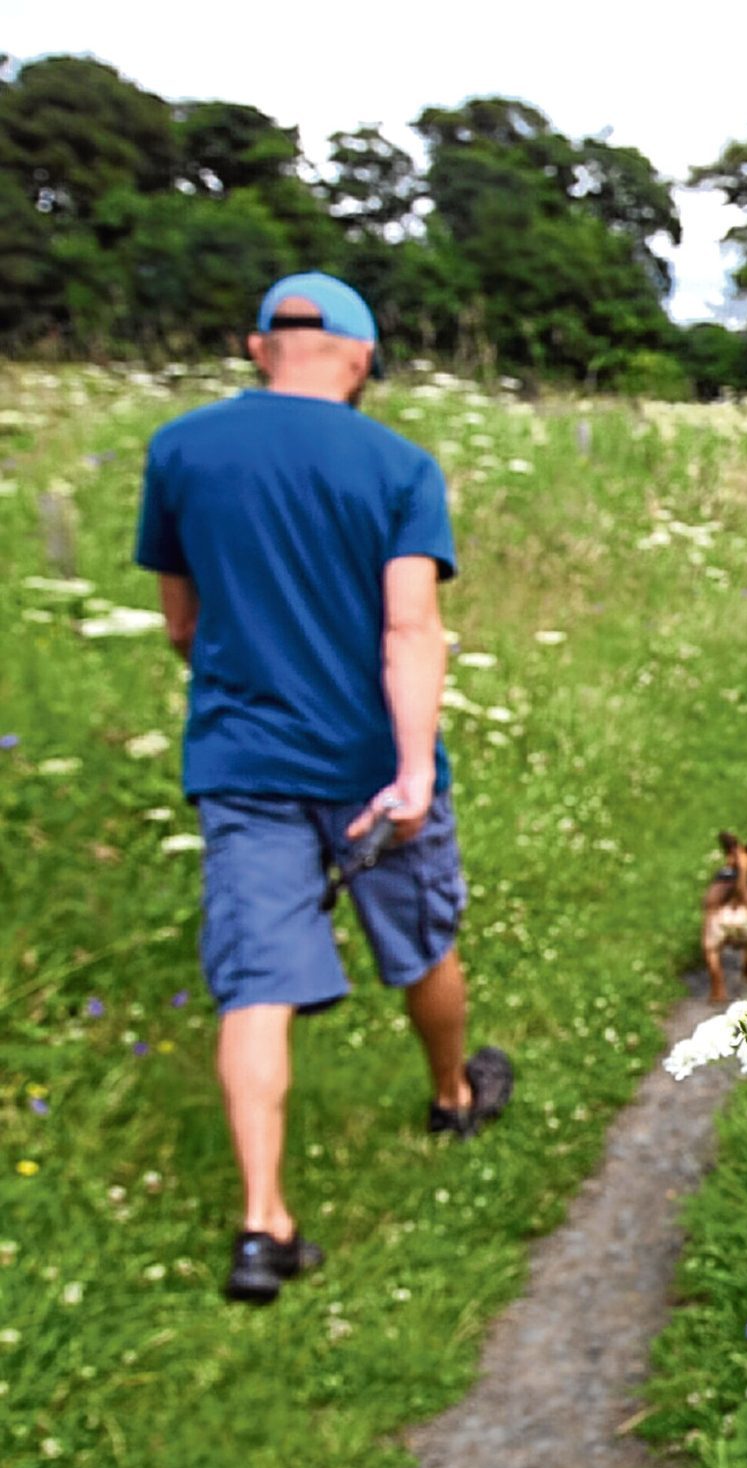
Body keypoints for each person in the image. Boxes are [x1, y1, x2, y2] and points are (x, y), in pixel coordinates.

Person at [134, 271, 513, 1305]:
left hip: (243, 762)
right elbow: (408, 628)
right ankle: (451, 1093)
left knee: (256, 981)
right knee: (424, 939)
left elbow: (181, 624)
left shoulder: (180, 451)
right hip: (367, 765)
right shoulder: (397, 465)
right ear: (359, 357)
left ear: (260, 347)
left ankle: (264, 1223)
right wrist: (415, 770)